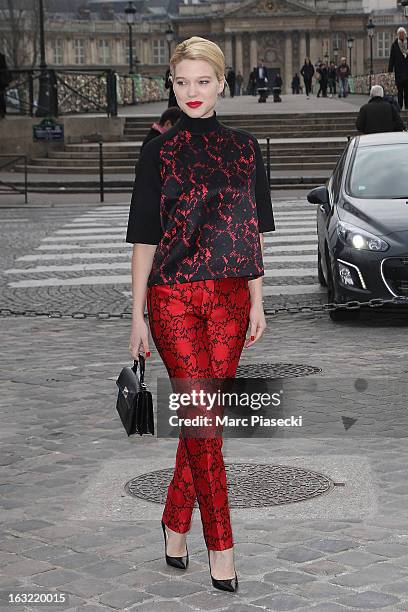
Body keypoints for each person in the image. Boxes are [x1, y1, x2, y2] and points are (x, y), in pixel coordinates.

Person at [126, 35, 275, 593]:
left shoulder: (244, 148)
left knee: (201, 419)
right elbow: (142, 238)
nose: (192, 92)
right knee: (205, 421)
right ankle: (223, 548)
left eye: (203, 81)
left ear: (221, 84)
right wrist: (136, 315)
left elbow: (252, 231)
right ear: (172, 84)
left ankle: (173, 522)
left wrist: (259, 300)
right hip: (173, 298)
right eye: (182, 81)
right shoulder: (156, 150)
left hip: (233, 298)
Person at [388, 26, 408, 111]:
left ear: (405, 34)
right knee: (400, 91)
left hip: (407, 70)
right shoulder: (394, 45)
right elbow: (392, 58)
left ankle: (407, 106)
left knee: (407, 91)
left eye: (402, 34)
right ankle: (400, 106)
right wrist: (390, 69)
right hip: (399, 71)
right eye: (399, 34)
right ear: (397, 35)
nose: (401, 35)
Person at [0, 52, 12, 118]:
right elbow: (5, 68)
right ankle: (3, 112)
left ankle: (2, 112)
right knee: (2, 96)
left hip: (1, 80)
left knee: (1, 96)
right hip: (2, 80)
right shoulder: (2, 56)